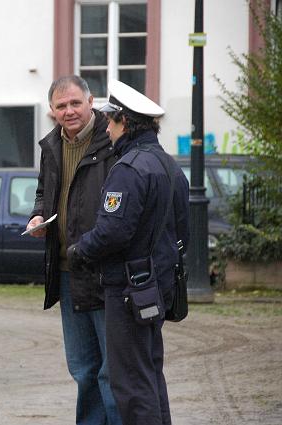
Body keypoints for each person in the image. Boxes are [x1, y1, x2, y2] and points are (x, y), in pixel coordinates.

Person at [66, 80, 190, 425]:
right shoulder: (169, 165)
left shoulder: (129, 168)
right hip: (156, 287)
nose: (107, 127)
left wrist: (80, 250)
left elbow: (112, 231)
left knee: (131, 384)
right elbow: (183, 234)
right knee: (150, 374)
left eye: (111, 120)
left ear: (124, 121)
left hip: (128, 290)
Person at [26, 76, 122, 425]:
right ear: (51, 110)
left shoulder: (112, 142)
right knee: (83, 369)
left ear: (90, 101)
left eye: (75, 103)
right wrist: (38, 214)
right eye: (61, 106)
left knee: (112, 372)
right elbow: (43, 191)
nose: (69, 111)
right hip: (67, 273)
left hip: (106, 273)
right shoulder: (51, 146)